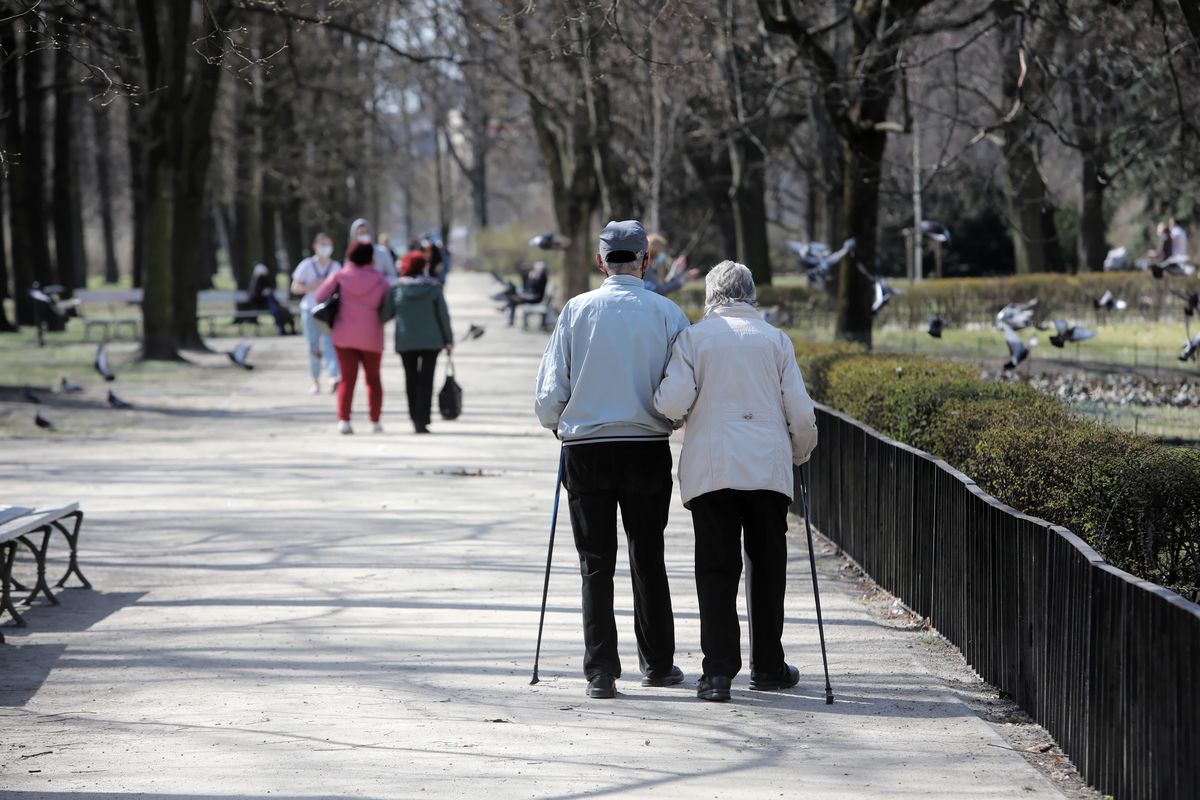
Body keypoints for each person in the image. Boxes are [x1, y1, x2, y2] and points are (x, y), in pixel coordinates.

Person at [534, 219, 691, 699]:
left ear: (601, 261)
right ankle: (659, 664)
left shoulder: (576, 311)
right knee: (649, 556)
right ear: (646, 260)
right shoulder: (668, 314)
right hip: (646, 447)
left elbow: (548, 394)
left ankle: (601, 670)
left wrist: (560, 422)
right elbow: (680, 390)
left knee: (595, 563)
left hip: (586, 448)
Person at [653, 261, 819, 703]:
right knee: (767, 569)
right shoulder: (775, 340)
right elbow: (800, 412)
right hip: (766, 467)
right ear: (752, 295)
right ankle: (768, 666)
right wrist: (799, 452)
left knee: (716, 571)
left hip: (712, 468)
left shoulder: (694, 338)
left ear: (711, 295)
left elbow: (671, 403)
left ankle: (718, 673)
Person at [314, 241, 390, 434]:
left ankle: (344, 420)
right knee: (373, 379)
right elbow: (388, 304)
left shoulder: (340, 276)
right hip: (372, 335)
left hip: (344, 334)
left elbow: (319, 296)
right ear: (371, 257)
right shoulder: (379, 280)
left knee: (347, 379)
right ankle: (375, 420)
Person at [384, 252, 454, 434]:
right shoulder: (433, 288)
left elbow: (385, 314)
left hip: (406, 341)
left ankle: (414, 417)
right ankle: (423, 419)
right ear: (424, 266)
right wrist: (449, 340)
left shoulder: (397, 289)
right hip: (431, 342)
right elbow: (443, 317)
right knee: (426, 380)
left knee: (411, 379)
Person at [291, 233, 341, 394]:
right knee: (313, 346)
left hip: (328, 311)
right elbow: (295, 287)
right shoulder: (306, 265)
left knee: (331, 344)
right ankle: (315, 380)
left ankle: (333, 377)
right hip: (309, 309)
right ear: (315, 246)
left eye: (328, 244)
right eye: (322, 244)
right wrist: (311, 286)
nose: (326, 247)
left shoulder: (335, 266)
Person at [249, 263, 295, 336]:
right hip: (261, 305)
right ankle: (281, 329)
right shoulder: (255, 284)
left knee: (283, 310)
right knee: (276, 310)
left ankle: (290, 329)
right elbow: (253, 297)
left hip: (272, 304)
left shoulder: (265, 281)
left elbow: (272, 294)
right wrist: (262, 294)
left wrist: (268, 292)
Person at [502, 260, 548, 326]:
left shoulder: (542, 277)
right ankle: (508, 315)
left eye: (536, 269)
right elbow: (528, 287)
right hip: (531, 296)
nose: (534, 270)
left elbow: (533, 287)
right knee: (513, 298)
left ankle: (508, 314)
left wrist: (532, 278)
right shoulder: (538, 276)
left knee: (513, 300)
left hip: (535, 299)